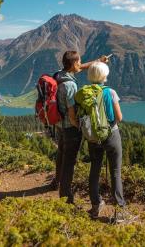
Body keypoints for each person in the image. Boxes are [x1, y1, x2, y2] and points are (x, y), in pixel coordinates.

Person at [51, 51, 107, 204]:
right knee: (69, 161)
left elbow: (80, 67)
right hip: (70, 127)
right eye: (79, 62)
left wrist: (99, 60)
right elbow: (71, 113)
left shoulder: (59, 74)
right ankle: (66, 198)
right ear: (74, 64)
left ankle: (56, 182)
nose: (80, 65)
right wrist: (80, 128)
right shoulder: (70, 85)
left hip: (59, 124)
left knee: (61, 154)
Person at [86, 62, 128, 223]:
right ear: (104, 76)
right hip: (111, 135)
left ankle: (96, 206)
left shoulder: (85, 93)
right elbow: (119, 117)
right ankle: (119, 212)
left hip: (93, 137)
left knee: (94, 170)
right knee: (115, 172)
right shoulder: (110, 92)